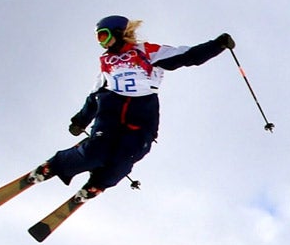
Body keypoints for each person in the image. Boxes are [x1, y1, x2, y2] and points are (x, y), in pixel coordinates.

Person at [46, 16, 235, 194]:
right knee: (95, 152)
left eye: (104, 36)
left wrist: (217, 45)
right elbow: (96, 93)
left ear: (119, 32)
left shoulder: (146, 51)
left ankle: (98, 183)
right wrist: (81, 120)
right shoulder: (106, 61)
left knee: (128, 155)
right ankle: (56, 166)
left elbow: (188, 56)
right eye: (98, 38)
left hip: (143, 111)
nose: (102, 43)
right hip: (112, 109)